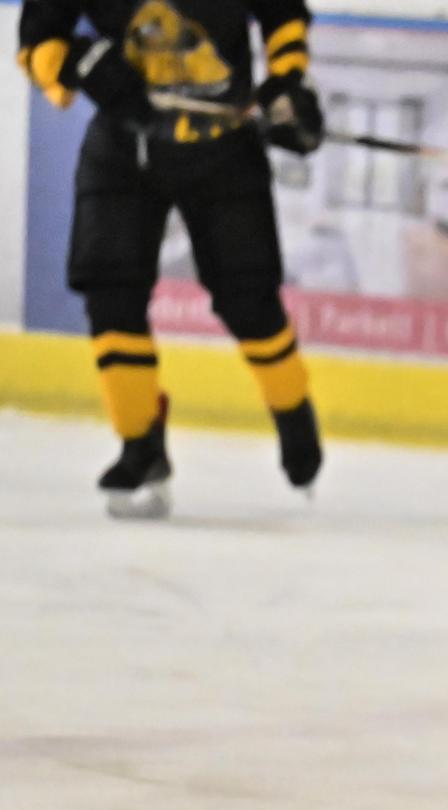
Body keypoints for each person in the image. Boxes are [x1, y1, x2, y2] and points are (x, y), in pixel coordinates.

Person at [18, 0, 326, 519]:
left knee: (248, 302)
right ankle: (141, 445)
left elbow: (282, 11)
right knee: (109, 292)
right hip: (124, 148)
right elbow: (39, 40)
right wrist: (79, 62)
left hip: (223, 152)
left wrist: (287, 82)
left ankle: (293, 409)